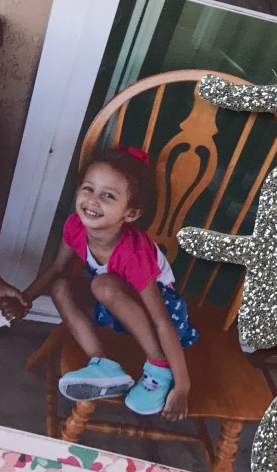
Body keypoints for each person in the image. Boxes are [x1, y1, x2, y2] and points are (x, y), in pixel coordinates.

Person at [21, 145, 197, 420]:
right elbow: (57, 268)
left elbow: (162, 321)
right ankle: (104, 364)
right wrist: (24, 300)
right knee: (60, 286)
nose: (92, 200)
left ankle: (158, 367)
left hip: (165, 315)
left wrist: (183, 385)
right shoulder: (75, 226)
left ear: (131, 213)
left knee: (102, 285)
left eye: (108, 195)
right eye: (88, 188)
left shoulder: (132, 254)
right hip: (116, 307)